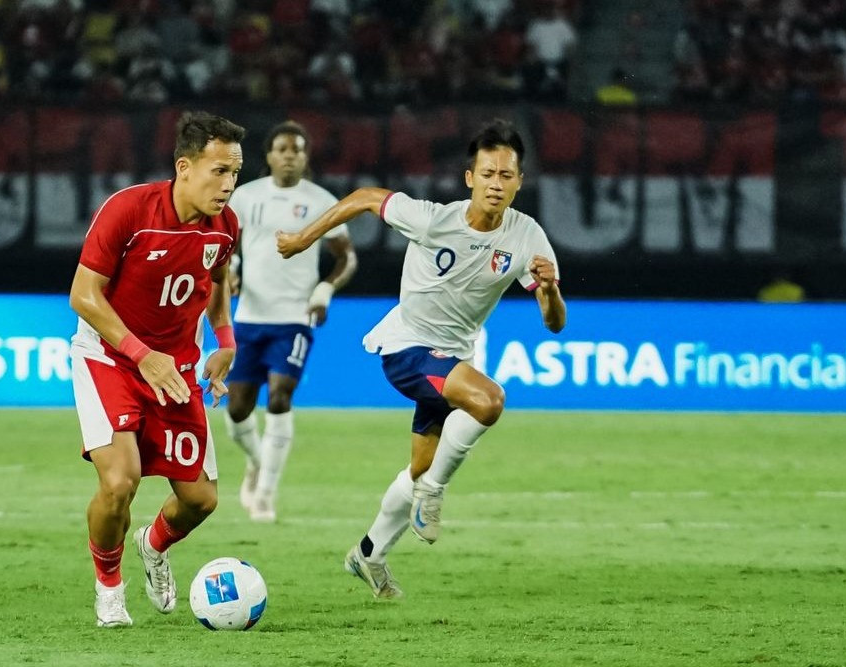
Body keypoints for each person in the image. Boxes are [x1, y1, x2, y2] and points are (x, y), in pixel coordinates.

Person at [277, 119, 567, 598]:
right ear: (470, 177)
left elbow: (554, 323)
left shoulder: (526, 235)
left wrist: (550, 290)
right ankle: (434, 493)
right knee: (489, 401)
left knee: (418, 466)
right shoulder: (434, 218)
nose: (497, 184)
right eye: (488, 174)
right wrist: (305, 239)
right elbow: (368, 197)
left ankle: (369, 553)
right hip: (407, 347)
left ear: (519, 181)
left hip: (451, 358)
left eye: (507, 176)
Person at [68, 111, 244, 627]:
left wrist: (225, 340)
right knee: (121, 481)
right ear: (184, 167)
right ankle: (108, 589)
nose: (228, 184)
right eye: (219, 171)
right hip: (112, 358)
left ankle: (152, 543)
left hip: (176, 368)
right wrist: (142, 354)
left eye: (235, 173)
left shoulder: (226, 226)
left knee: (200, 500)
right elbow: (84, 295)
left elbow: (216, 282)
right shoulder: (129, 210)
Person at [224, 121, 357, 522]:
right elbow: (227, 246)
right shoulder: (244, 197)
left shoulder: (321, 202)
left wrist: (324, 290)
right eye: (282, 148)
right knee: (236, 411)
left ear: (306, 156)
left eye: (297, 149)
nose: (289, 155)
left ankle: (265, 494)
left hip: (295, 318)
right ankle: (257, 461)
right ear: (268, 155)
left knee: (280, 396)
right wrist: (230, 268)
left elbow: (346, 257)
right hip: (248, 317)